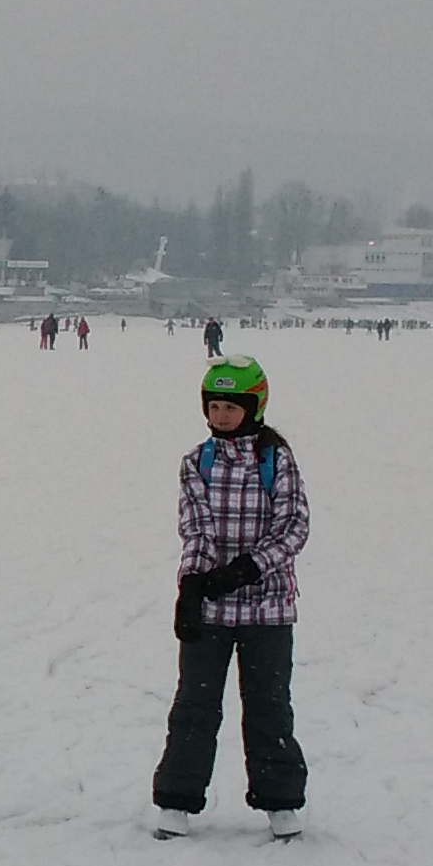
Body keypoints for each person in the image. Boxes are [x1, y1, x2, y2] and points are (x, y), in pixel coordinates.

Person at [151, 358, 312, 840]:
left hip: (269, 607)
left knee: (268, 706)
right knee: (194, 705)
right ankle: (177, 799)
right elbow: (196, 529)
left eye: (230, 408)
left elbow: (294, 527)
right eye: (214, 406)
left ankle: (280, 800)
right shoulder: (196, 462)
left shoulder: (276, 460)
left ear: (254, 407)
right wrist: (193, 585)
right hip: (212, 607)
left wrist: (248, 568)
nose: (220, 416)